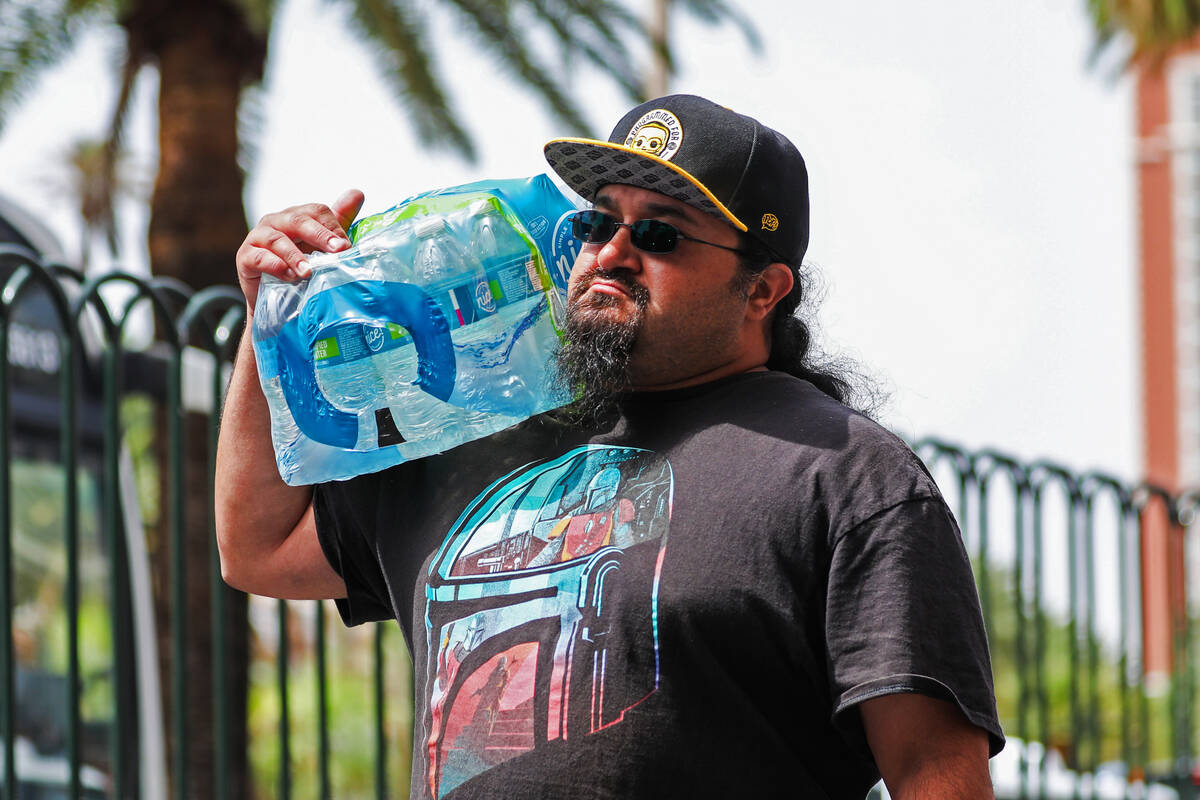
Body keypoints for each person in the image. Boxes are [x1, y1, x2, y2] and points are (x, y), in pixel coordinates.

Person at [216, 94, 1004, 799]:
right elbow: (256, 548)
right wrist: (268, 319)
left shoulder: (842, 474)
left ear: (762, 289)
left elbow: (935, 773)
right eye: (598, 221)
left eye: (659, 234)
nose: (612, 252)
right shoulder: (475, 432)